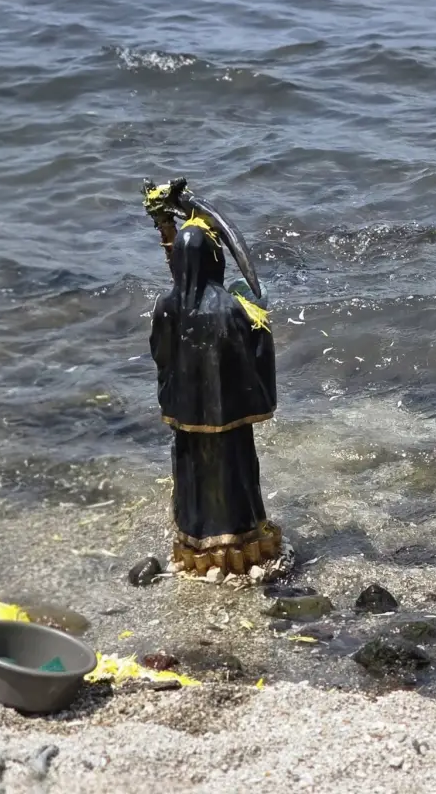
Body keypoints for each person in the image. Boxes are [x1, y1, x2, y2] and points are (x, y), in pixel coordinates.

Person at [144, 180, 283, 577]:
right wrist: (261, 320)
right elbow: (255, 353)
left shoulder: (168, 305)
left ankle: (196, 541)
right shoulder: (232, 309)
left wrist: (163, 225)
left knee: (192, 473)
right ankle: (239, 539)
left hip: (187, 414)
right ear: (214, 260)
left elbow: (161, 353)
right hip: (229, 419)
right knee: (236, 472)